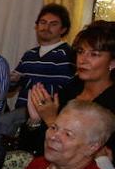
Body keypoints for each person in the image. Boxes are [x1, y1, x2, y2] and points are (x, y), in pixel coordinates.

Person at [26, 21, 115, 152]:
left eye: (94, 54)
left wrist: (51, 120)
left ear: (112, 63)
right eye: (80, 51)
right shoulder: (72, 88)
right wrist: (35, 120)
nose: (82, 60)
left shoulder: (111, 103)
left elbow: (95, 157)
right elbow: (35, 147)